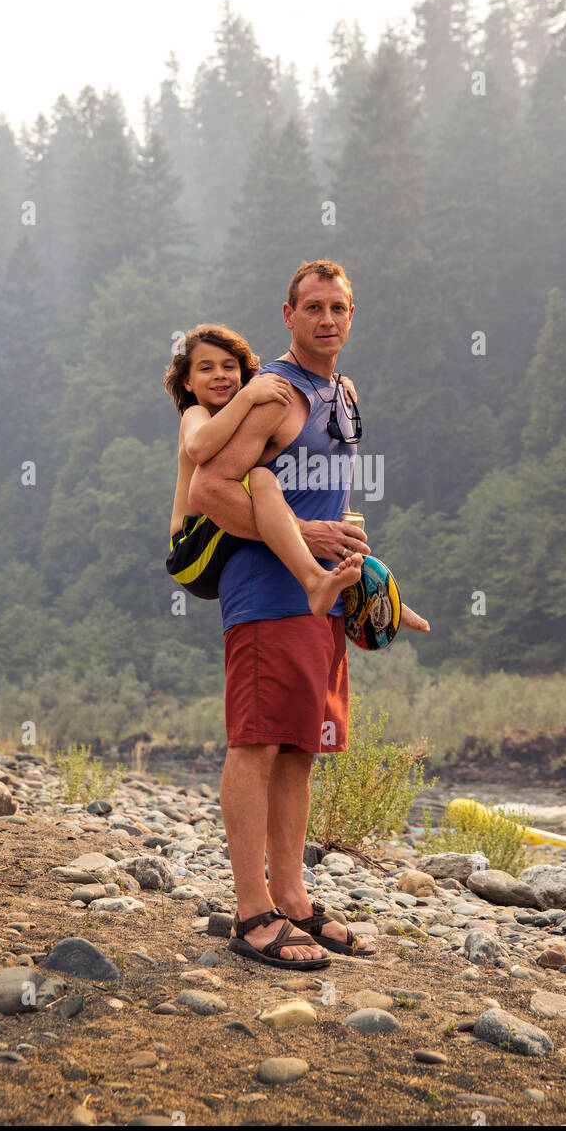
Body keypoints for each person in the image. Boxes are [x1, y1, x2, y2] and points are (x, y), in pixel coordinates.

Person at [188, 260, 430, 968]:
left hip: (320, 596)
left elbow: (324, 510)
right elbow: (209, 488)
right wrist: (306, 536)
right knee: (257, 744)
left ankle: (292, 899)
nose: (327, 319)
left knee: (298, 747)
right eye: (314, 307)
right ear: (287, 315)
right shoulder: (273, 395)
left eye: (339, 308)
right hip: (266, 594)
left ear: (353, 316)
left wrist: (367, 581)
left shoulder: (342, 392)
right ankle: (251, 913)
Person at [163, 323, 363, 612]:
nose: (219, 374)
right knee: (260, 478)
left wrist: (332, 386)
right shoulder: (197, 413)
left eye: (229, 366)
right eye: (206, 369)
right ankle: (313, 580)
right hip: (190, 550)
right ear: (187, 383)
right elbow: (199, 448)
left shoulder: (246, 418)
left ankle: (364, 588)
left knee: (278, 482)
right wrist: (248, 396)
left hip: (222, 543)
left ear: (243, 375)